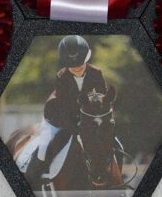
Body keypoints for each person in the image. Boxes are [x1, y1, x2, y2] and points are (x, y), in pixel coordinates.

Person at [24, 35, 107, 186]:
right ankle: (33, 179)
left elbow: (102, 96)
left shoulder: (96, 73)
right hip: (58, 117)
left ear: (86, 58)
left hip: (86, 118)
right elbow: (65, 107)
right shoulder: (62, 76)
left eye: (80, 64)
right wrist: (77, 124)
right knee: (44, 147)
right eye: (72, 65)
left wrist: (92, 104)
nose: (77, 68)